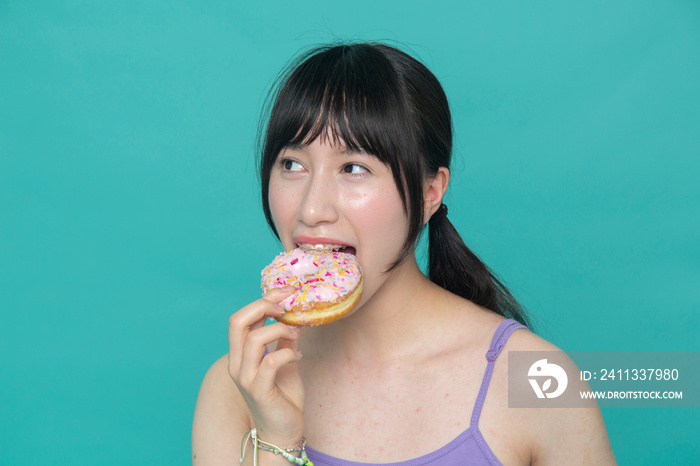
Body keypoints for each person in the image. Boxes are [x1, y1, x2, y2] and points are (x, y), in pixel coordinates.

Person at [192, 42, 616, 465]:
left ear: (430, 192)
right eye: (292, 164)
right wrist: (278, 439)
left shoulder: (537, 381)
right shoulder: (238, 388)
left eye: (353, 168)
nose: (311, 209)